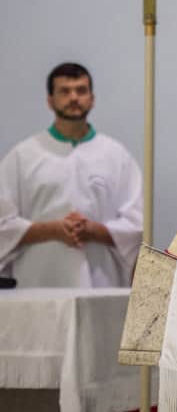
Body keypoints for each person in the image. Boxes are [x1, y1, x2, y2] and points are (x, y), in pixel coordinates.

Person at [0, 61, 142, 287]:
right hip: (37, 284)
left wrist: (94, 231)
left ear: (92, 98)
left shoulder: (117, 156)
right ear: (50, 100)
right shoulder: (23, 156)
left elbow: (137, 226)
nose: (73, 97)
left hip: (102, 284)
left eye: (81, 90)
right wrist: (51, 230)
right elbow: (3, 225)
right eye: (64, 91)